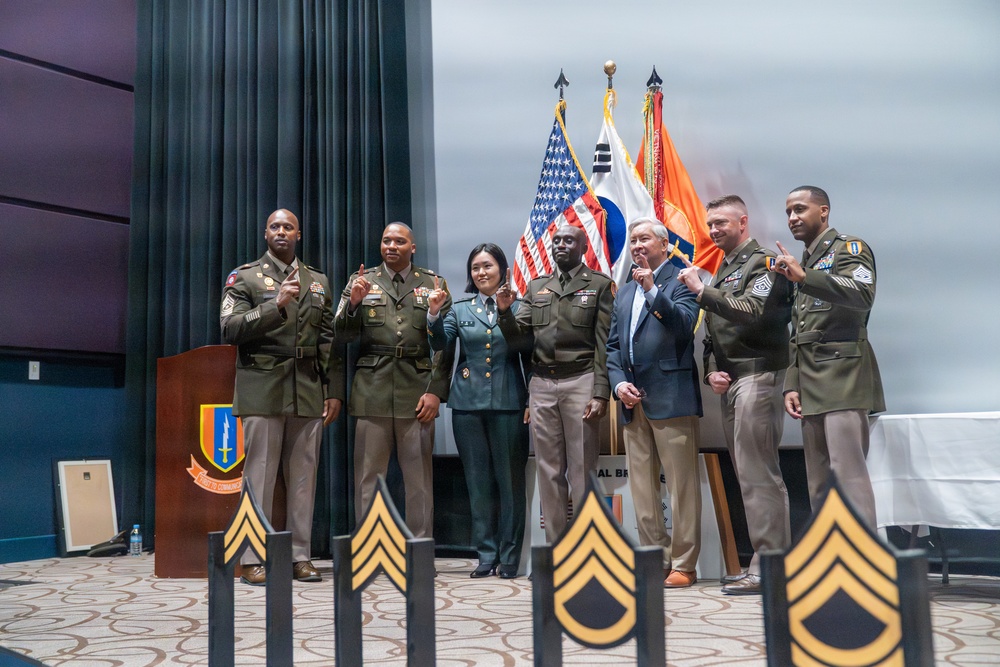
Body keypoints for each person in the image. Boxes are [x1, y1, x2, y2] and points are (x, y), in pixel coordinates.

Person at [220, 208, 343, 586]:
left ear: (299, 234)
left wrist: (332, 391)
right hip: (263, 387)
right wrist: (276, 305)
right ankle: (252, 557)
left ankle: (299, 557)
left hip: (306, 387)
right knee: (257, 477)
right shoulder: (245, 277)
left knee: (303, 479)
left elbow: (328, 340)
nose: (281, 232)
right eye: (275, 226)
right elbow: (230, 327)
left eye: (288, 227)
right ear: (265, 233)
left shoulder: (317, 280)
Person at [677, 196, 793, 595]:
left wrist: (700, 290)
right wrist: (712, 373)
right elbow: (712, 334)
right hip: (734, 382)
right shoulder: (724, 267)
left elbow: (751, 310)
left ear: (743, 222)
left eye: (722, 223)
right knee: (749, 473)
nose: (714, 230)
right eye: (710, 224)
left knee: (760, 474)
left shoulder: (761, 262)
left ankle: (771, 567)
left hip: (760, 377)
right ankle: (763, 563)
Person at [772, 186, 885, 528]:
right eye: (789, 211)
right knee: (819, 482)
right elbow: (799, 329)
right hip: (809, 379)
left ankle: (863, 565)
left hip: (842, 375)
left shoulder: (849, 248)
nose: (793, 217)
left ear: (823, 212)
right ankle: (828, 564)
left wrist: (806, 277)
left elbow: (862, 294)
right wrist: (792, 383)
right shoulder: (803, 261)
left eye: (800, 209)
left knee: (848, 478)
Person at [495, 223, 612, 542]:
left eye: (569, 240)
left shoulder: (599, 285)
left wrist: (601, 392)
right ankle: (557, 550)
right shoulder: (536, 287)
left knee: (582, 472)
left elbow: (604, 344)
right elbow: (519, 342)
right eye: (556, 240)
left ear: (584, 246)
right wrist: (505, 313)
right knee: (548, 471)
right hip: (542, 385)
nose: (560, 245)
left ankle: (588, 549)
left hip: (581, 380)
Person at [335, 222, 451, 538]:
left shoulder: (434, 284)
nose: (391, 246)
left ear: (412, 247)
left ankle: (420, 548)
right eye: (386, 240)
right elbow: (341, 335)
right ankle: (369, 549)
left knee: (418, 481)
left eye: (400, 241)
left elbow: (444, 346)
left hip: (417, 392)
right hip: (372, 391)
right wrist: (354, 303)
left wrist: (436, 393)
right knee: (368, 478)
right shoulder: (361, 281)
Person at [607, 218, 703, 589]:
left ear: (665, 244)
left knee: (681, 486)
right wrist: (618, 385)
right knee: (643, 489)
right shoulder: (625, 289)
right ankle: (654, 557)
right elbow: (614, 346)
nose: (636, 246)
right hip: (632, 401)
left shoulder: (681, 279)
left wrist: (652, 291)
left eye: (644, 239)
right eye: (632, 241)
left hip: (671, 396)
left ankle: (684, 563)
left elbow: (683, 327)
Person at [427, 244, 530, 579]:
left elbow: (523, 349)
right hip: (468, 406)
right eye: (476, 268)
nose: (482, 273)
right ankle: (486, 553)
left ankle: (510, 556)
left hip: (508, 402)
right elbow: (441, 344)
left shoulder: (519, 305)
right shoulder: (459, 308)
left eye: (488, 266)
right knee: (478, 482)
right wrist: (432, 316)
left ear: (501, 268)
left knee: (510, 483)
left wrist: (505, 311)